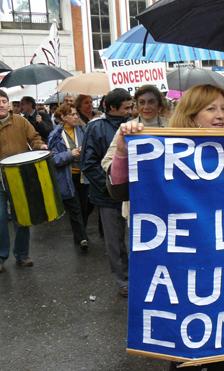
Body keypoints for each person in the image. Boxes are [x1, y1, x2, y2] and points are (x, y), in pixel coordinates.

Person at [107, 84, 224, 371]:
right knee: (189, 351)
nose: (221, 114)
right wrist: (124, 150)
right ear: (191, 114)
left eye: (223, 108)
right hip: (187, 274)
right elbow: (119, 191)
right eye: (211, 109)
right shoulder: (164, 149)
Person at [81, 88, 133, 298]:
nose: (131, 110)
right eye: (126, 107)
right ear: (112, 107)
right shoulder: (95, 128)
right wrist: (111, 185)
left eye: (132, 106)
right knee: (115, 241)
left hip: (131, 194)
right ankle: (123, 281)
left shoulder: (134, 125)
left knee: (134, 240)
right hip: (108, 196)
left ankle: (136, 276)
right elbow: (89, 163)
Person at [102, 85, 168, 220]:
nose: (146, 106)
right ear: (136, 106)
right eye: (142, 102)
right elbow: (106, 161)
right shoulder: (126, 129)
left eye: (151, 102)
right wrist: (122, 166)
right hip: (137, 199)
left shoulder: (172, 127)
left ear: (159, 105)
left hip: (166, 197)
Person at [0, 90, 47, 272]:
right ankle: (1, 256)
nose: (1, 104)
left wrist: (40, 145)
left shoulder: (20, 121)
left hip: (19, 177)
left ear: (10, 104)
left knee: (23, 218)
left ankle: (22, 254)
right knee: (1, 218)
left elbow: (34, 138)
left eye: (4, 101)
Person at [48, 103, 89, 250]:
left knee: (85, 207)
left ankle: (80, 233)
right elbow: (53, 159)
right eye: (72, 114)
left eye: (76, 114)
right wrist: (69, 154)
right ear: (63, 117)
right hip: (67, 177)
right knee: (75, 208)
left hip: (84, 176)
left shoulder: (83, 130)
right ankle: (82, 237)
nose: (76, 116)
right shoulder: (55, 136)